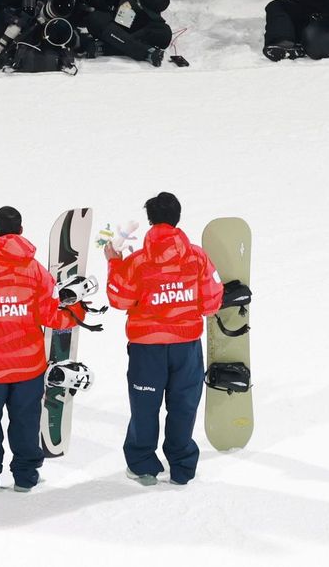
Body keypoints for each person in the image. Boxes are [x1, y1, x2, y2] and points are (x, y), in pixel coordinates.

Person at [0, 205, 89, 494]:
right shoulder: (35, 271)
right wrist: (76, 311)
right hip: (28, 368)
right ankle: (25, 477)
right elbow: (51, 317)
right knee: (25, 421)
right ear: (21, 231)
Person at [104, 191, 221, 487]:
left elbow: (119, 299)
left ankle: (143, 465)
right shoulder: (197, 257)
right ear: (177, 218)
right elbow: (210, 303)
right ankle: (182, 467)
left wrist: (114, 263)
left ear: (150, 219)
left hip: (146, 349)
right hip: (186, 347)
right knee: (184, 406)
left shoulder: (137, 262)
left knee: (145, 407)